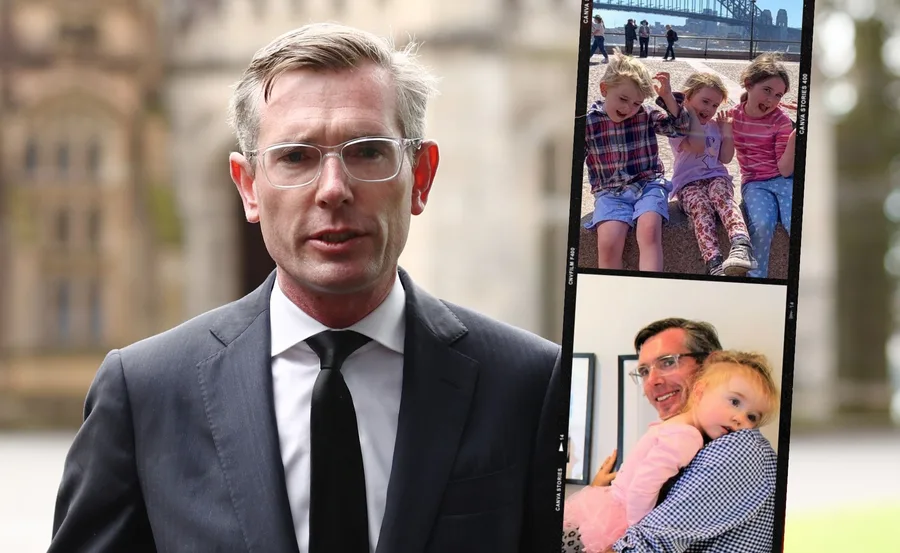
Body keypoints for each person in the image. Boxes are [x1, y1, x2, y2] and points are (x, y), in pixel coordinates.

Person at [49, 23, 563, 553]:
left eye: (367, 151)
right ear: (248, 187)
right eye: (296, 156)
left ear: (421, 176)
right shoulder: (145, 393)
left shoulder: (530, 384)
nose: (333, 190)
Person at [583, 318, 778, 552]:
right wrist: (601, 492)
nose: (652, 381)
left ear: (710, 364)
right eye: (644, 371)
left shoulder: (737, 447)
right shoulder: (682, 435)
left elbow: (643, 544)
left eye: (667, 362)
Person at [583, 51, 691, 271]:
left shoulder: (645, 114)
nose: (629, 109)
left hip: (648, 184)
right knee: (609, 243)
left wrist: (668, 97)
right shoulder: (589, 122)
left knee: (649, 230)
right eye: (623, 99)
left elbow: (680, 128)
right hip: (610, 192)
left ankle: (650, 285)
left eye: (636, 103)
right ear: (604, 89)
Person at [663, 73, 755, 276]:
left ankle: (741, 243)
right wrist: (687, 112)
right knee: (701, 206)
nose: (709, 109)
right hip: (688, 183)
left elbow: (725, 158)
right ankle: (714, 262)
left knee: (721, 195)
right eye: (705, 101)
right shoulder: (678, 127)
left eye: (714, 105)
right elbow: (696, 146)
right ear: (687, 97)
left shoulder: (715, 126)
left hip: (716, 177)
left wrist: (727, 132)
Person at [730, 53, 796, 278]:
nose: (771, 100)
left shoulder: (781, 120)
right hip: (755, 183)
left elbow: (785, 170)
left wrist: (796, 134)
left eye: (778, 95)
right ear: (748, 84)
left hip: (783, 179)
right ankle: (757, 279)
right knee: (762, 223)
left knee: (795, 222)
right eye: (767, 90)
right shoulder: (733, 117)